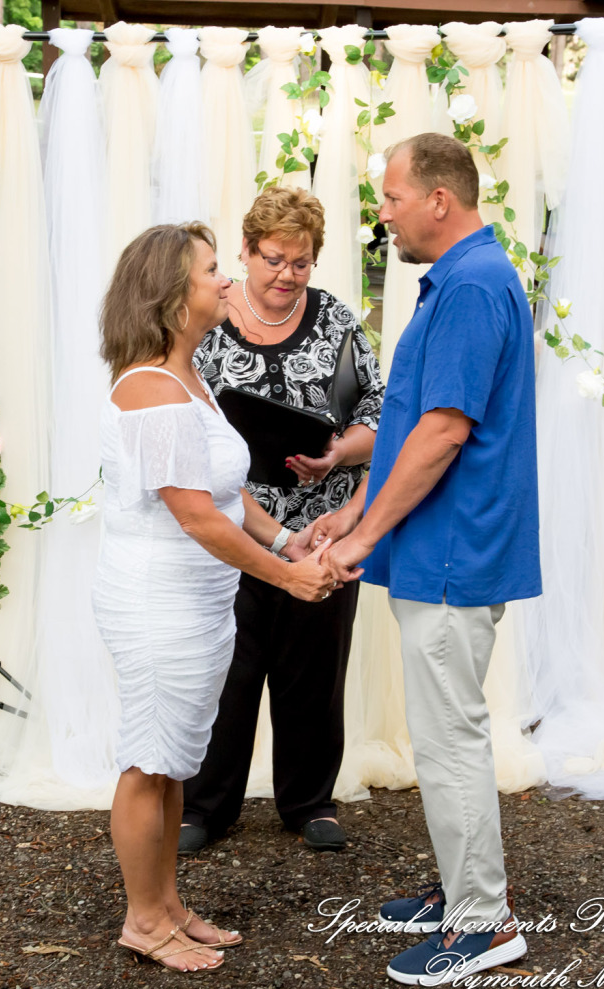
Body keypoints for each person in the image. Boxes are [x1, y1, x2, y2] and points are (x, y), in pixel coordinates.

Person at [320, 134, 541, 984]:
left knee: (449, 739)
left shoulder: (474, 285)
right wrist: (354, 504)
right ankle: (463, 890)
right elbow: (416, 421)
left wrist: (365, 536)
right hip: (437, 542)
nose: (383, 213)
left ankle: (484, 924)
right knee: (443, 732)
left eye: (390, 198)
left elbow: (446, 430)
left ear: (438, 200)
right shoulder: (458, 280)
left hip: (453, 549)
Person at [93, 223, 337, 974]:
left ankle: (167, 905)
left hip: (196, 601)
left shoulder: (187, 375)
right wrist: (290, 579)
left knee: (174, 763)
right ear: (173, 296)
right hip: (154, 600)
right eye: (211, 272)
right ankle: (142, 921)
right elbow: (193, 514)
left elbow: (225, 496)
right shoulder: (148, 388)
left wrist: (283, 541)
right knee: (148, 760)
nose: (227, 282)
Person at [179, 188, 385, 854]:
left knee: (313, 671)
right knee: (227, 669)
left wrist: (338, 453)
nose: (285, 275)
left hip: (322, 529)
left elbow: (380, 417)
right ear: (245, 251)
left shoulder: (335, 322)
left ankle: (308, 801)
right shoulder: (207, 318)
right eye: (273, 259)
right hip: (230, 527)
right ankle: (205, 806)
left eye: (301, 263)